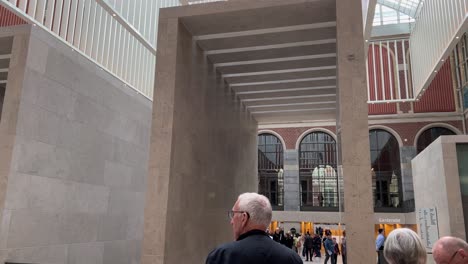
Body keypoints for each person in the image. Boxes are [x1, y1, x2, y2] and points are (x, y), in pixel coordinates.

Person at [205, 193, 302, 264]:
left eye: (233, 214)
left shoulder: (222, 255)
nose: (231, 221)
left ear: (244, 217)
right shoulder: (292, 259)